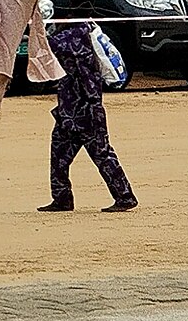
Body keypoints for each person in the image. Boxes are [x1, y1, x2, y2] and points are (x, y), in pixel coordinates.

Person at [37, 16, 137, 213]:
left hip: (81, 109)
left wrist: (37, 27)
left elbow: (46, 48)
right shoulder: (93, 32)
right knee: (77, 155)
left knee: (81, 156)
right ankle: (65, 198)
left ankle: (123, 197)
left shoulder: (72, 37)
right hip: (79, 109)